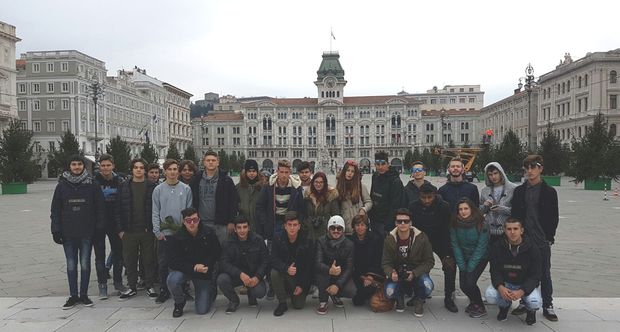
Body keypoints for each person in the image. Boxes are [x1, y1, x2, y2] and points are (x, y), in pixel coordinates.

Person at [50, 154, 105, 309]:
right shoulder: (61, 186)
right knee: (71, 265)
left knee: (85, 264)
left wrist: (99, 228)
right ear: (70, 166)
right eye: (73, 164)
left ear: (83, 166)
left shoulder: (92, 184)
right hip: (68, 232)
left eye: (79, 164)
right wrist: (56, 229)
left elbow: (100, 208)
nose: (76, 167)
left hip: (87, 232)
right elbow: (55, 210)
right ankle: (73, 295)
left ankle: (84, 295)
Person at [511, 155, 559, 322]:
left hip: (541, 239)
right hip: (524, 240)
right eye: (527, 168)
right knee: (524, 272)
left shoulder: (549, 192)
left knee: (544, 273)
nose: (529, 171)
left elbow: (554, 217)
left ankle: (548, 305)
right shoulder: (519, 191)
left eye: (533, 167)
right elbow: (515, 216)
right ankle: (525, 302)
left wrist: (549, 236)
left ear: (540, 169)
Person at [485, 217, 542, 325]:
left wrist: (522, 290)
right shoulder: (497, 247)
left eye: (515, 229)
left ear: (521, 230)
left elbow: (536, 275)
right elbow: (494, 271)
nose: (512, 232)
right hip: (506, 283)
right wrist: (500, 287)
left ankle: (530, 310)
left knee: (534, 301)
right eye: (509, 229)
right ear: (504, 230)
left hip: (523, 283)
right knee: (490, 295)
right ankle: (504, 307)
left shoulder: (533, 248)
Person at [167, 207, 221, 318]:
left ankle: (211, 290)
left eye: (195, 220)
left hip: (203, 272)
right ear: (183, 222)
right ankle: (179, 302)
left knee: (202, 310)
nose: (192, 223)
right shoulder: (177, 237)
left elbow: (217, 253)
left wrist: (207, 267)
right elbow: (172, 261)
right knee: (172, 280)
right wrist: (193, 267)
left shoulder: (209, 233)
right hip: (185, 270)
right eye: (188, 220)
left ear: (199, 220)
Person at [116, 158, 159, 300]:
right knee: (130, 260)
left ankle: (149, 285)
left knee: (148, 259)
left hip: (147, 230)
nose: (139, 170)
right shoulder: (124, 186)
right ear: (132, 169)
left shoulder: (152, 186)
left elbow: (156, 208)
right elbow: (118, 209)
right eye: (136, 167)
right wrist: (121, 230)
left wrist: (153, 227)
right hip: (129, 230)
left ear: (145, 170)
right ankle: (132, 286)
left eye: (141, 167)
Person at [408, 183, 455, 310]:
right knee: (417, 266)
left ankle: (449, 297)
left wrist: (447, 251)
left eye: (430, 197)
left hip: (441, 240)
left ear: (435, 195)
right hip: (422, 241)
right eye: (423, 197)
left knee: (450, 265)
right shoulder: (413, 206)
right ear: (419, 196)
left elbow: (448, 228)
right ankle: (418, 294)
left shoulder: (444, 206)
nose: (427, 200)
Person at [152, 159, 193, 304]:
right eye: (169, 169)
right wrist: (157, 231)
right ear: (165, 171)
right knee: (163, 262)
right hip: (165, 233)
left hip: (181, 233)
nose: (172, 172)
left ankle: (184, 288)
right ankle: (164, 289)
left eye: (175, 169)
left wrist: (187, 229)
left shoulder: (186, 189)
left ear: (178, 171)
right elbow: (155, 211)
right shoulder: (158, 189)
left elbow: (189, 210)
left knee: (183, 261)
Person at [382, 208, 434, 316]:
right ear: (395, 223)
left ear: (410, 223)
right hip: (398, 272)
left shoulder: (421, 238)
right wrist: (391, 272)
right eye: (399, 221)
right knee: (389, 291)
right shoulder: (390, 239)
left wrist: (415, 273)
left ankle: (419, 300)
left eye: (405, 221)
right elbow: (385, 262)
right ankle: (399, 297)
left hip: (417, 272)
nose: (402, 223)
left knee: (428, 286)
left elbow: (429, 261)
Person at [217, 216, 269, 314]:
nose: (242, 230)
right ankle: (233, 300)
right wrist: (240, 274)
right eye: (239, 227)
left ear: (249, 228)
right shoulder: (227, 243)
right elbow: (224, 263)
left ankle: (251, 294)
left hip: (253, 275)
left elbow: (265, 261)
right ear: (235, 229)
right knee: (222, 279)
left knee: (260, 292)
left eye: (244, 227)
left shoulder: (258, 240)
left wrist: (257, 277)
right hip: (236, 276)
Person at [93, 154, 126, 299]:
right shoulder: (93, 181)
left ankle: (118, 283)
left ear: (113, 166)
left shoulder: (120, 181)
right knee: (99, 255)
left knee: (118, 253)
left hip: (115, 222)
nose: (105, 168)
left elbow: (124, 201)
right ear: (99, 166)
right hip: (98, 223)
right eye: (103, 165)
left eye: (108, 165)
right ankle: (102, 285)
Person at [270, 211, 315, 316]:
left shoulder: (307, 240)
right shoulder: (278, 238)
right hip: (285, 273)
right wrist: (286, 268)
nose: (292, 228)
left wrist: (302, 285)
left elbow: (309, 267)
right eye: (289, 225)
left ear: (299, 226)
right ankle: (282, 303)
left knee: (299, 305)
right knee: (274, 272)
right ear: (285, 226)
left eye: (295, 225)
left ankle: (292, 292)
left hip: (299, 278)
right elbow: (273, 259)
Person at [449, 198, 489, 318]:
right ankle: (474, 301)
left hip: (480, 257)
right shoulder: (454, 224)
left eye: (466, 208)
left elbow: (481, 246)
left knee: (470, 283)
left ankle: (480, 306)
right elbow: (455, 244)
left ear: (471, 209)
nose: (463, 211)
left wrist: (470, 266)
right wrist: (461, 265)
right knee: (463, 285)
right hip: (464, 257)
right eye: (460, 209)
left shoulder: (482, 223)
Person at [190, 151, 239, 243]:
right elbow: (192, 200)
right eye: (208, 160)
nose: (211, 162)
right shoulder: (196, 179)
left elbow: (233, 202)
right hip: (202, 223)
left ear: (218, 162)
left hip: (221, 224)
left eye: (213, 160)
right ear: (204, 162)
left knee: (223, 252)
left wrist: (231, 221)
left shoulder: (226, 180)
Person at [315, 216, 356, 315]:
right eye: (333, 228)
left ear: (343, 230)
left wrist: (338, 285)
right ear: (328, 229)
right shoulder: (321, 241)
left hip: (340, 275)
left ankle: (335, 294)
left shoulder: (349, 245)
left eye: (339, 228)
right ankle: (323, 301)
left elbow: (349, 268)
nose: (336, 231)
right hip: (324, 274)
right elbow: (317, 262)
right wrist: (329, 270)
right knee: (322, 273)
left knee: (352, 291)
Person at [256, 159, 305, 241]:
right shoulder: (268, 187)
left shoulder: (296, 188)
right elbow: (260, 206)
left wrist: (297, 223)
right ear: (277, 172)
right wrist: (265, 222)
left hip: (290, 224)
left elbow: (301, 208)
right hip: (273, 223)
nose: (284, 175)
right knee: (273, 250)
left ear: (290, 173)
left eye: (286, 172)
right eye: (281, 172)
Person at [347, 214, 383, 306]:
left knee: (364, 293)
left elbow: (378, 260)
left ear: (367, 226)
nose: (360, 228)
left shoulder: (375, 239)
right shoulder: (350, 241)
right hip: (357, 274)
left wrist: (370, 276)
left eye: (362, 225)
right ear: (353, 227)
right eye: (357, 225)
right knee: (357, 301)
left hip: (373, 273)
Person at [368, 151, 404, 239]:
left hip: (386, 224)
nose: (380, 167)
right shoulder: (375, 176)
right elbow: (372, 195)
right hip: (375, 221)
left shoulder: (395, 181)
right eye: (378, 164)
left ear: (388, 164)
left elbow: (395, 205)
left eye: (383, 164)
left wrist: (388, 226)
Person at [479, 162, 516, 246]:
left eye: (495, 173)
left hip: (507, 232)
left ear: (501, 172)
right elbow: (479, 212)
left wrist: (502, 209)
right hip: (489, 233)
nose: (493, 177)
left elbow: (517, 211)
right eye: (490, 174)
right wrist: (485, 206)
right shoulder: (485, 191)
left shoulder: (513, 188)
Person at [336, 160, 372, 236]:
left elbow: (369, 202)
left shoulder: (360, 186)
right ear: (344, 172)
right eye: (348, 170)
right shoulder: (339, 187)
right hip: (346, 228)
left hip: (360, 227)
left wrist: (363, 209)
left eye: (352, 171)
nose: (350, 173)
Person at [303, 172, 340, 241]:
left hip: (325, 232)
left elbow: (336, 215)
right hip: (310, 233)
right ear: (313, 182)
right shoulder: (308, 196)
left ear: (324, 183)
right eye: (316, 182)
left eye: (321, 182)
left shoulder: (331, 196)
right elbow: (304, 214)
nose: (318, 184)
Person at [236, 159, 266, 233]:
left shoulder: (263, 187)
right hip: (243, 225)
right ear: (245, 172)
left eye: (254, 171)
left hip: (258, 225)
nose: (251, 174)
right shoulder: (238, 187)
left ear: (257, 172)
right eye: (249, 171)